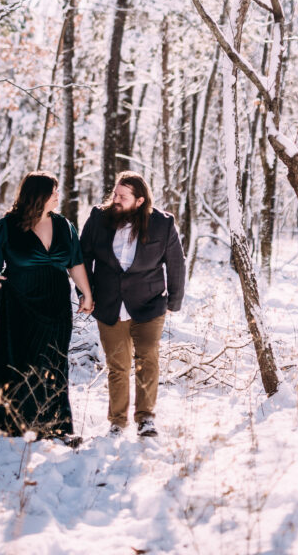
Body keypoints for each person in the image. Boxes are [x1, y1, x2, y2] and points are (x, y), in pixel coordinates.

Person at [0, 171, 93, 442]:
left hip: (56, 303)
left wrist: (86, 293)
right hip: (19, 302)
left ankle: (53, 425)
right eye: (53, 191)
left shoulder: (64, 226)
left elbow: (75, 263)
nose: (58, 196)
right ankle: (16, 421)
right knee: (20, 361)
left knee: (53, 361)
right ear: (39, 195)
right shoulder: (9, 226)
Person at [80, 171, 185, 438]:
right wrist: (85, 294)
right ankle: (117, 420)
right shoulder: (98, 218)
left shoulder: (162, 224)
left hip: (149, 304)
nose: (115, 199)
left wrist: (174, 300)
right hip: (108, 304)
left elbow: (176, 263)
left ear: (139, 201)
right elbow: (83, 257)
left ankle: (146, 418)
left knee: (147, 358)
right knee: (118, 365)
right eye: (115, 194)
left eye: (122, 197)